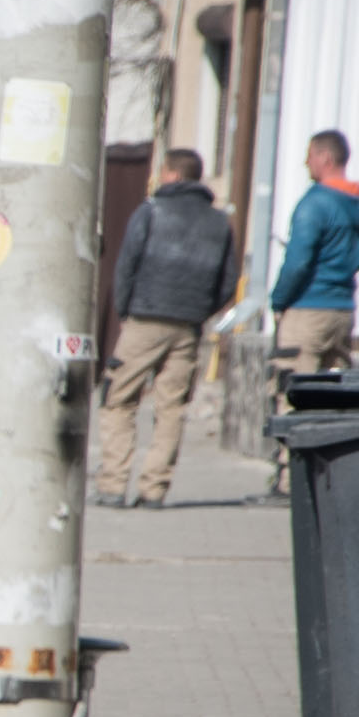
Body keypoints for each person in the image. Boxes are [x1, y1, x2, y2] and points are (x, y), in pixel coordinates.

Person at [94, 148, 238, 510]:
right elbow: (228, 280)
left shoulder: (151, 211)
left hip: (145, 319)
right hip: (188, 326)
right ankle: (154, 489)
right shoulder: (219, 221)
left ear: (171, 175)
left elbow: (126, 265)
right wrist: (200, 312)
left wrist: (126, 310)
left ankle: (113, 485)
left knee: (118, 398)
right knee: (171, 407)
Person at [271, 130, 359, 375]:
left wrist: (278, 300)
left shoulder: (315, 204)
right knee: (332, 395)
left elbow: (297, 263)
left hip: (308, 310)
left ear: (325, 158)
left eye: (309, 155)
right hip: (343, 312)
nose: (305, 162)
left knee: (293, 390)